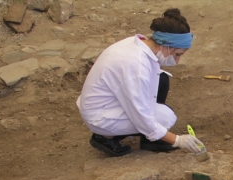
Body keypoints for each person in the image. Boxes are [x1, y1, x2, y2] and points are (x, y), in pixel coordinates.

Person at [76, 8, 204, 157]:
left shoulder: (140, 44)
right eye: (177, 54)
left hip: (104, 99)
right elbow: (142, 117)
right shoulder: (136, 66)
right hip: (99, 116)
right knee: (165, 117)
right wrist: (177, 140)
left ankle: (149, 139)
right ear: (166, 46)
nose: (177, 60)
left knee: (161, 79)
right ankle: (106, 137)